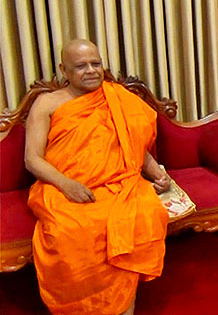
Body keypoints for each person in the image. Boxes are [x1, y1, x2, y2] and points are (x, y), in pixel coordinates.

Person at [25, 39, 170, 315]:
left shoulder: (117, 97)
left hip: (121, 184)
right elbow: (32, 159)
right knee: (70, 231)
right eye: (81, 66)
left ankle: (125, 307)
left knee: (140, 216)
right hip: (62, 184)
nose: (91, 71)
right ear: (63, 70)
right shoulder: (47, 103)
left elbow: (134, 145)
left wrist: (157, 175)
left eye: (96, 63)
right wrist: (67, 185)